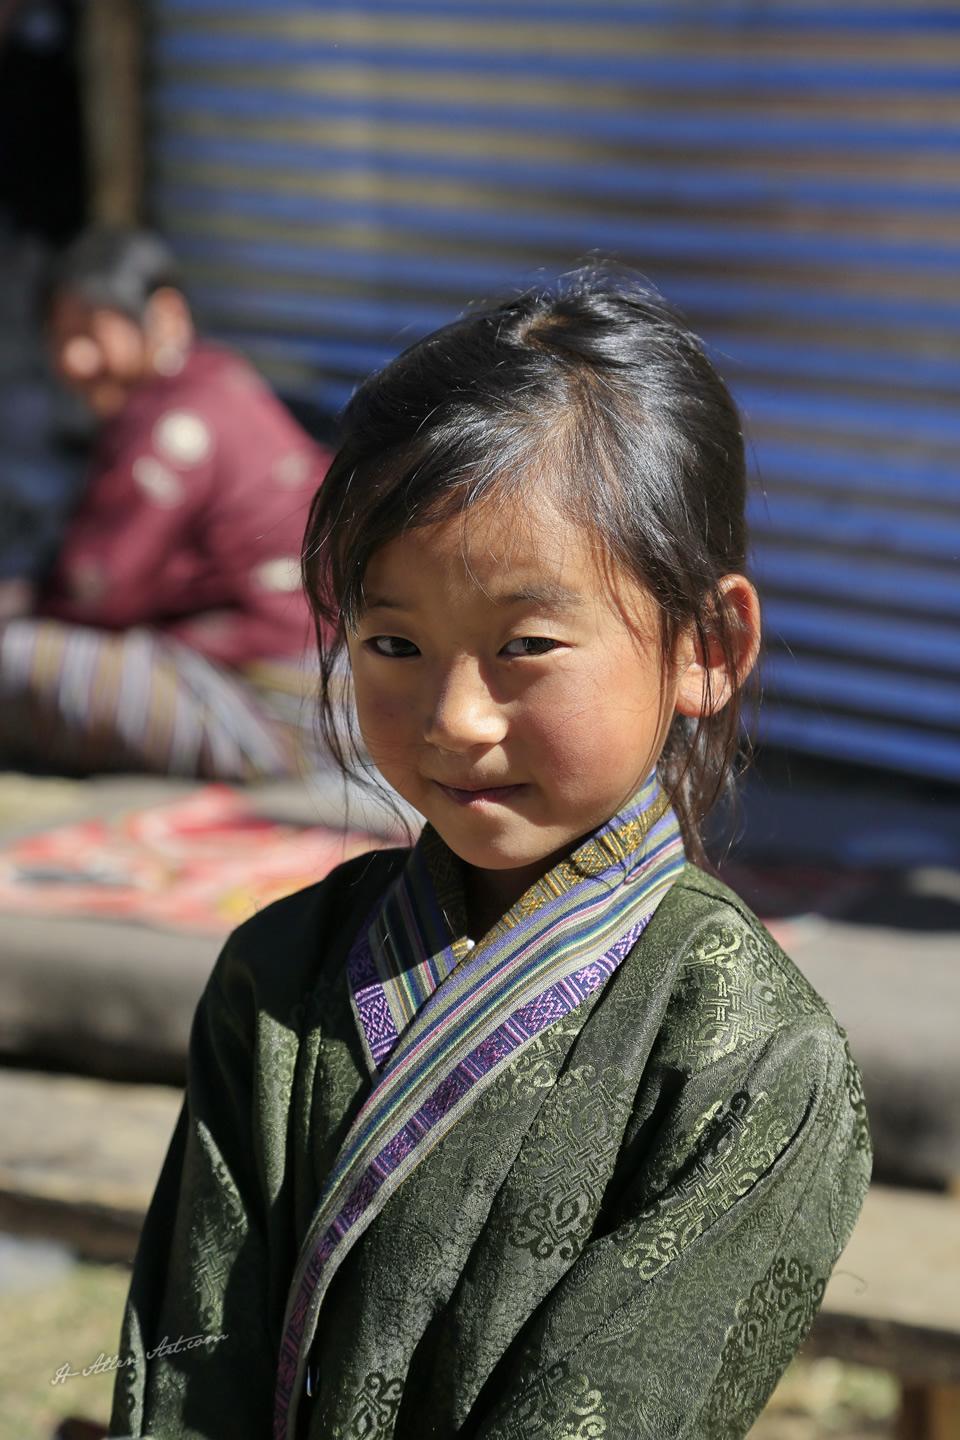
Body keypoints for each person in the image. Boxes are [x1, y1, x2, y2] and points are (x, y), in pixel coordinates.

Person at [109, 268, 871, 1440]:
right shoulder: (280, 975)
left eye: (525, 644)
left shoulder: (753, 1058)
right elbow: (185, 1372)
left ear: (707, 646)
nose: (456, 719)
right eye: (394, 643)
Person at [0, 227, 331, 780]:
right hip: (302, 684)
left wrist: (26, 604)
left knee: (14, 658)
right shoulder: (218, 378)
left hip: (262, 707)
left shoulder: (176, 426)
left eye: (90, 332)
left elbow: (99, 592)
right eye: (60, 338)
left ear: (167, 317)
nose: (74, 359)